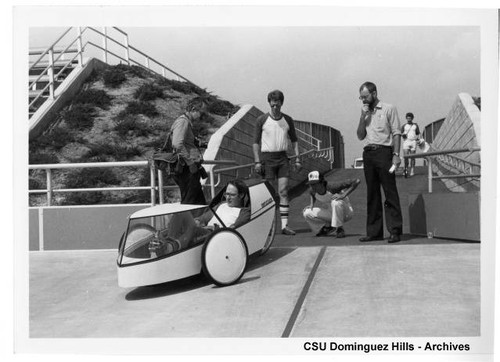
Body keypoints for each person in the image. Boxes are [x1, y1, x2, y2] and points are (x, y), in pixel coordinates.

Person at [356, 81, 403, 243]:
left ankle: (395, 230)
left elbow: (397, 133)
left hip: (385, 153)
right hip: (368, 154)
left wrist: (396, 154)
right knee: (372, 193)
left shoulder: (389, 108)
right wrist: (363, 117)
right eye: (361, 97)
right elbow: (360, 135)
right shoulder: (365, 112)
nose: (363, 100)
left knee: (390, 192)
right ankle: (374, 232)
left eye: (365, 96)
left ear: (374, 94)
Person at [253, 89, 301, 235]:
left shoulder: (288, 120)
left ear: (281, 104)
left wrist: (298, 158)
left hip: (282, 159)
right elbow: (255, 142)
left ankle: (284, 226)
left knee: (283, 191)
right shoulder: (261, 120)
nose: (275, 107)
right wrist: (257, 161)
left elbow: (294, 140)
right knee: (268, 193)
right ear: (269, 103)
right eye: (273, 105)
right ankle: (268, 226)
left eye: (278, 105)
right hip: (267, 159)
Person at [171, 97, 209, 205]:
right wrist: (190, 162)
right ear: (193, 109)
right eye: (200, 112)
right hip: (187, 169)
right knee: (189, 202)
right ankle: (180, 222)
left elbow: (185, 142)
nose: (201, 116)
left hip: (191, 169)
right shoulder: (183, 122)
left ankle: (198, 221)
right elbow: (177, 144)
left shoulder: (186, 122)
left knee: (199, 202)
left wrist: (198, 143)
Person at [303, 171, 360, 238]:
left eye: (315, 184)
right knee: (307, 212)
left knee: (335, 201)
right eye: (311, 184)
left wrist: (343, 195)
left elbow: (357, 181)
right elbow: (312, 194)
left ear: (322, 182)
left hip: (346, 213)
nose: (313, 186)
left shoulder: (332, 186)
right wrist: (311, 204)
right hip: (332, 213)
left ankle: (339, 229)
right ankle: (327, 228)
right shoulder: (312, 190)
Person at [401, 112, 422, 178]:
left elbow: (418, 133)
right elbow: (401, 133)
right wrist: (403, 135)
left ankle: (412, 170)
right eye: (407, 118)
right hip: (406, 141)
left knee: (413, 157)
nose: (408, 119)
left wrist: (418, 139)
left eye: (410, 118)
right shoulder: (404, 126)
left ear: (412, 118)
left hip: (413, 142)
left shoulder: (415, 125)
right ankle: (406, 169)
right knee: (406, 157)